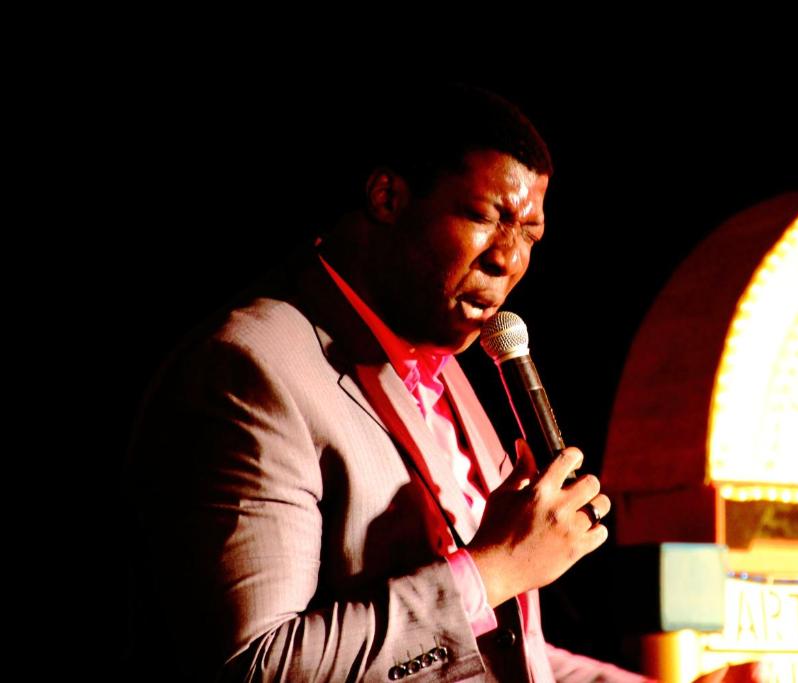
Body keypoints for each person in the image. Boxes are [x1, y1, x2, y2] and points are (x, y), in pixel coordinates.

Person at [127, 83, 653, 682]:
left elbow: (499, 650)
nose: (508, 258)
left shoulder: (445, 363)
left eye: (529, 233)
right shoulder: (248, 368)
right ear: (387, 197)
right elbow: (256, 666)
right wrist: (495, 568)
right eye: (485, 217)